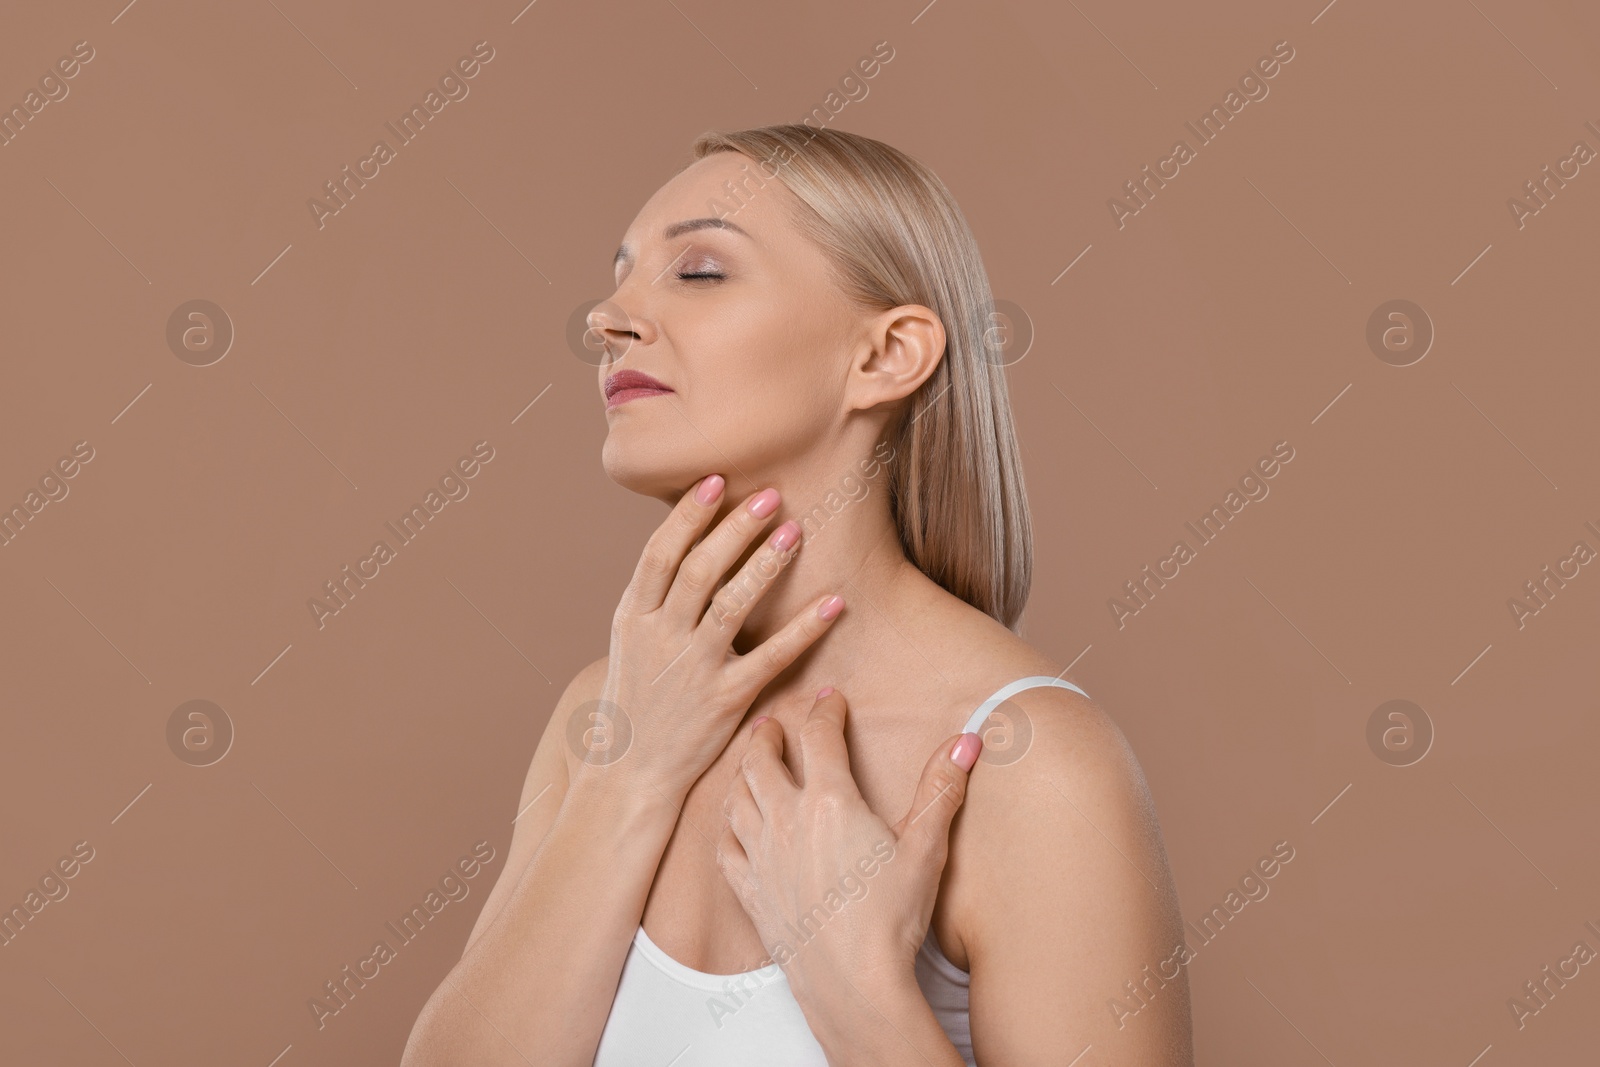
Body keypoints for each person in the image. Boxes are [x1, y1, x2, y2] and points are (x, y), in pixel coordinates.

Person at [401, 123, 1192, 1066]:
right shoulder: (605, 713)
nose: (606, 318)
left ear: (886, 355)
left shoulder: (1033, 769)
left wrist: (857, 991)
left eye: (699, 271)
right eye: (619, 273)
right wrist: (629, 777)